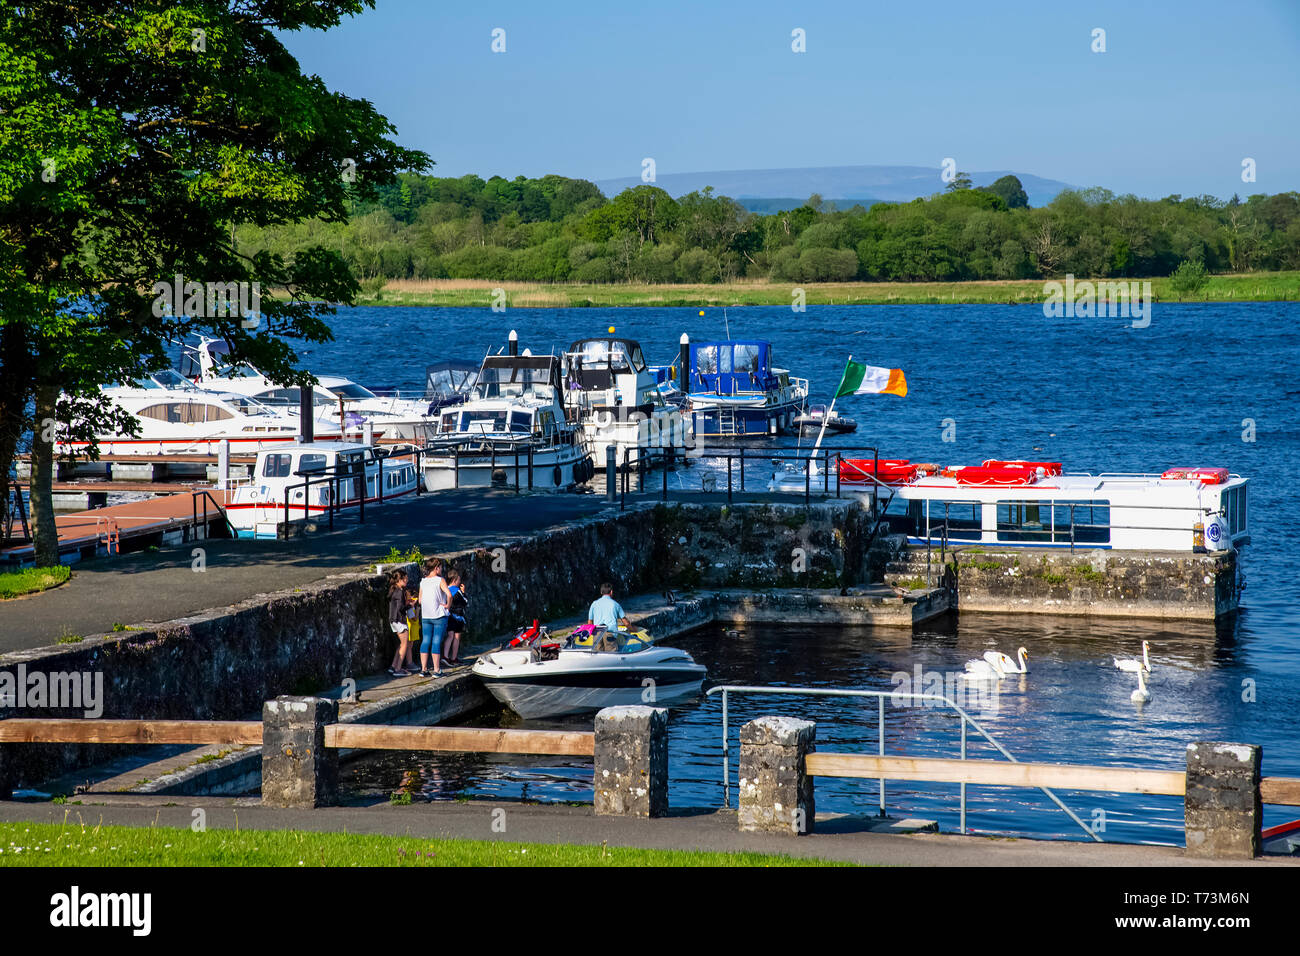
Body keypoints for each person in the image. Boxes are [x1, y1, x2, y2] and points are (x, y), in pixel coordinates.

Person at [418, 557, 450, 677]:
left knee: (425, 641)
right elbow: (449, 595)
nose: (441, 569)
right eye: (440, 567)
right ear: (436, 568)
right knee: (436, 641)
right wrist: (447, 605)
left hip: (426, 615)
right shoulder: (440, 580)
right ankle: (436, 670)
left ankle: (424, 669)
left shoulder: (423, 581)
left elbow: (420, 600)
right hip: (438, 615)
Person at [387, 569, 412, 677]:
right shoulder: (400, 591)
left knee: (401, 644)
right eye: (405, 578)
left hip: (393, 620)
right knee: (405, 644)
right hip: (399, 620)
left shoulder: (393, 590)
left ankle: (393, 666)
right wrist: (410, 605)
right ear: (399, 580)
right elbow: (401, 608)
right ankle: (398, 669)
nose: (407, 580)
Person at [444, 569, 467, 665]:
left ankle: (445, 656)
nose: (459, 582)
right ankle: (453, 658)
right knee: (456, 637)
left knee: (450, 636)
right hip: (457, 617)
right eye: (458, 580)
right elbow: (465, 602)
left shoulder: (445, 589)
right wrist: (463, 592)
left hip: (448, 616)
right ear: (454, 580)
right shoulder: (457, 591)